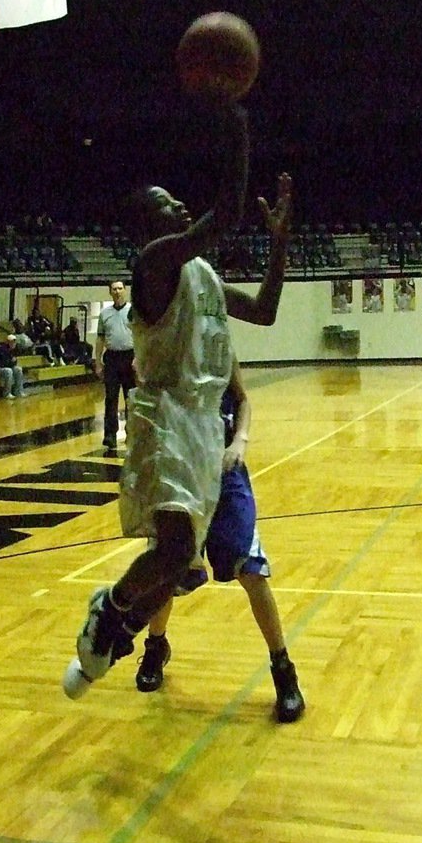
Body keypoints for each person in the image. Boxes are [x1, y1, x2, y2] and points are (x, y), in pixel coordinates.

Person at [62, 100, 293, 700]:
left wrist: (280, 246)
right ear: (149, 226)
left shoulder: (204, 277)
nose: (180, 207)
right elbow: (223, 217)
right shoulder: (154, 262)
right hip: (164, 417)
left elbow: (265, 312)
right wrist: (239, 125)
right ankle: (112, 612)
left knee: (178, 559)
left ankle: (118, 621)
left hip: (202, 425)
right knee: (173, 551)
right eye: (167, 205)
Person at [135, 355, 305, 722]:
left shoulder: (220, 350)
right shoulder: (163, 354)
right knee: (165, 575)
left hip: (226, 476)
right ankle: (155, 646)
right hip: (182, 480)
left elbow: (242, 399)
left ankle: (283, 669)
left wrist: (240, 440)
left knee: (253, 572)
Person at [95, 280, 136, 449]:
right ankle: (110, 435)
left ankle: (132, 434)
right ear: (110, 292)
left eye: (120, 288)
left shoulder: (133, 311)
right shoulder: (105, 313)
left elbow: (141, 335)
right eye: (114, 289)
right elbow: (100, 338)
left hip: (130, 357)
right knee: (111, 398)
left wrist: (139, 357)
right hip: (111, 358)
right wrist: (98, 362)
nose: (117, 291)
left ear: (125, 291)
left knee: (131, 399)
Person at [0, 334, 25, 399]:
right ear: (7, 342)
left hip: (4, 367)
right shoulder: (1, 349)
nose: (13, 344)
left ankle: (18, 391)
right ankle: (7, 393)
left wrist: (12, 362)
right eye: (12, 342)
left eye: (14, 342)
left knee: (18, 369)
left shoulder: (13, 350)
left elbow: (13, 362)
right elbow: (1, 363)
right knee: (8, 371)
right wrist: (11, 362)